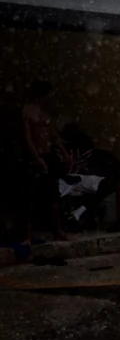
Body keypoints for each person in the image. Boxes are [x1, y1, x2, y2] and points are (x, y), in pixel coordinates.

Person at [20, 80, 68, 242]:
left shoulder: (47, 113)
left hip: (48, 155)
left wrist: (65, 154)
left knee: (53, 195)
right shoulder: (27, 111)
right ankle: (27, 235)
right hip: (34, 157)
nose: (51, 98)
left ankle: (58, 230)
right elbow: (27, 138)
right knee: (30, 197)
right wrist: (37, 158)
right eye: (49, 95)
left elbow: (53, 135)